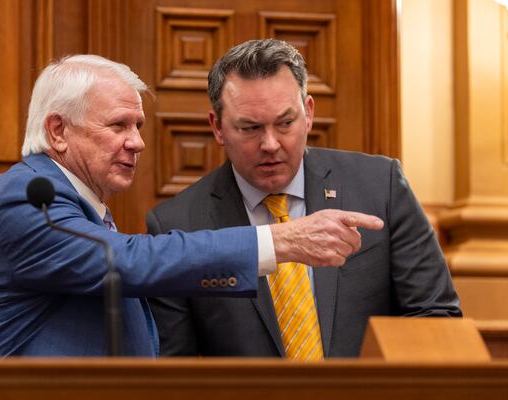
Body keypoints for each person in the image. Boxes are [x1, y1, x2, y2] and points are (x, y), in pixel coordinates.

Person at [0, 54, 384, 357]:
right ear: (58, 131)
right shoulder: (29, 196)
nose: (138, 142)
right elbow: (124, 262)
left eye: (139, 126)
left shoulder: (83, 205)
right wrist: (279, 241)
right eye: (118, 125)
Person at [147, 39, 462, 359]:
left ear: (308, 114)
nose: (270, 144)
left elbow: (435, 318)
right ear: (217, 128)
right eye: (250, 128)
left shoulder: (380, 186)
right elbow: (176, 370)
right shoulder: (180, 225)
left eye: (285, 123)